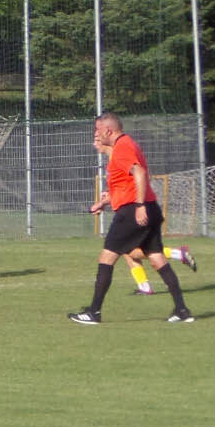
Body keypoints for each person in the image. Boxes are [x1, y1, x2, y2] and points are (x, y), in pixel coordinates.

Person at [70, 113, 194, 324]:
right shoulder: (124, 146)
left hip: (132, 211)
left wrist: (139, 206)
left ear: (108, 130)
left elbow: (139, 173)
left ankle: (94, 312)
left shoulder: (122, 147)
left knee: (107, 257)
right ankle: (182, 310)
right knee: (156, 258)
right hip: (149, 208)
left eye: (98, 130)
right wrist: (104, 202)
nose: (96, 134)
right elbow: (126, 185)